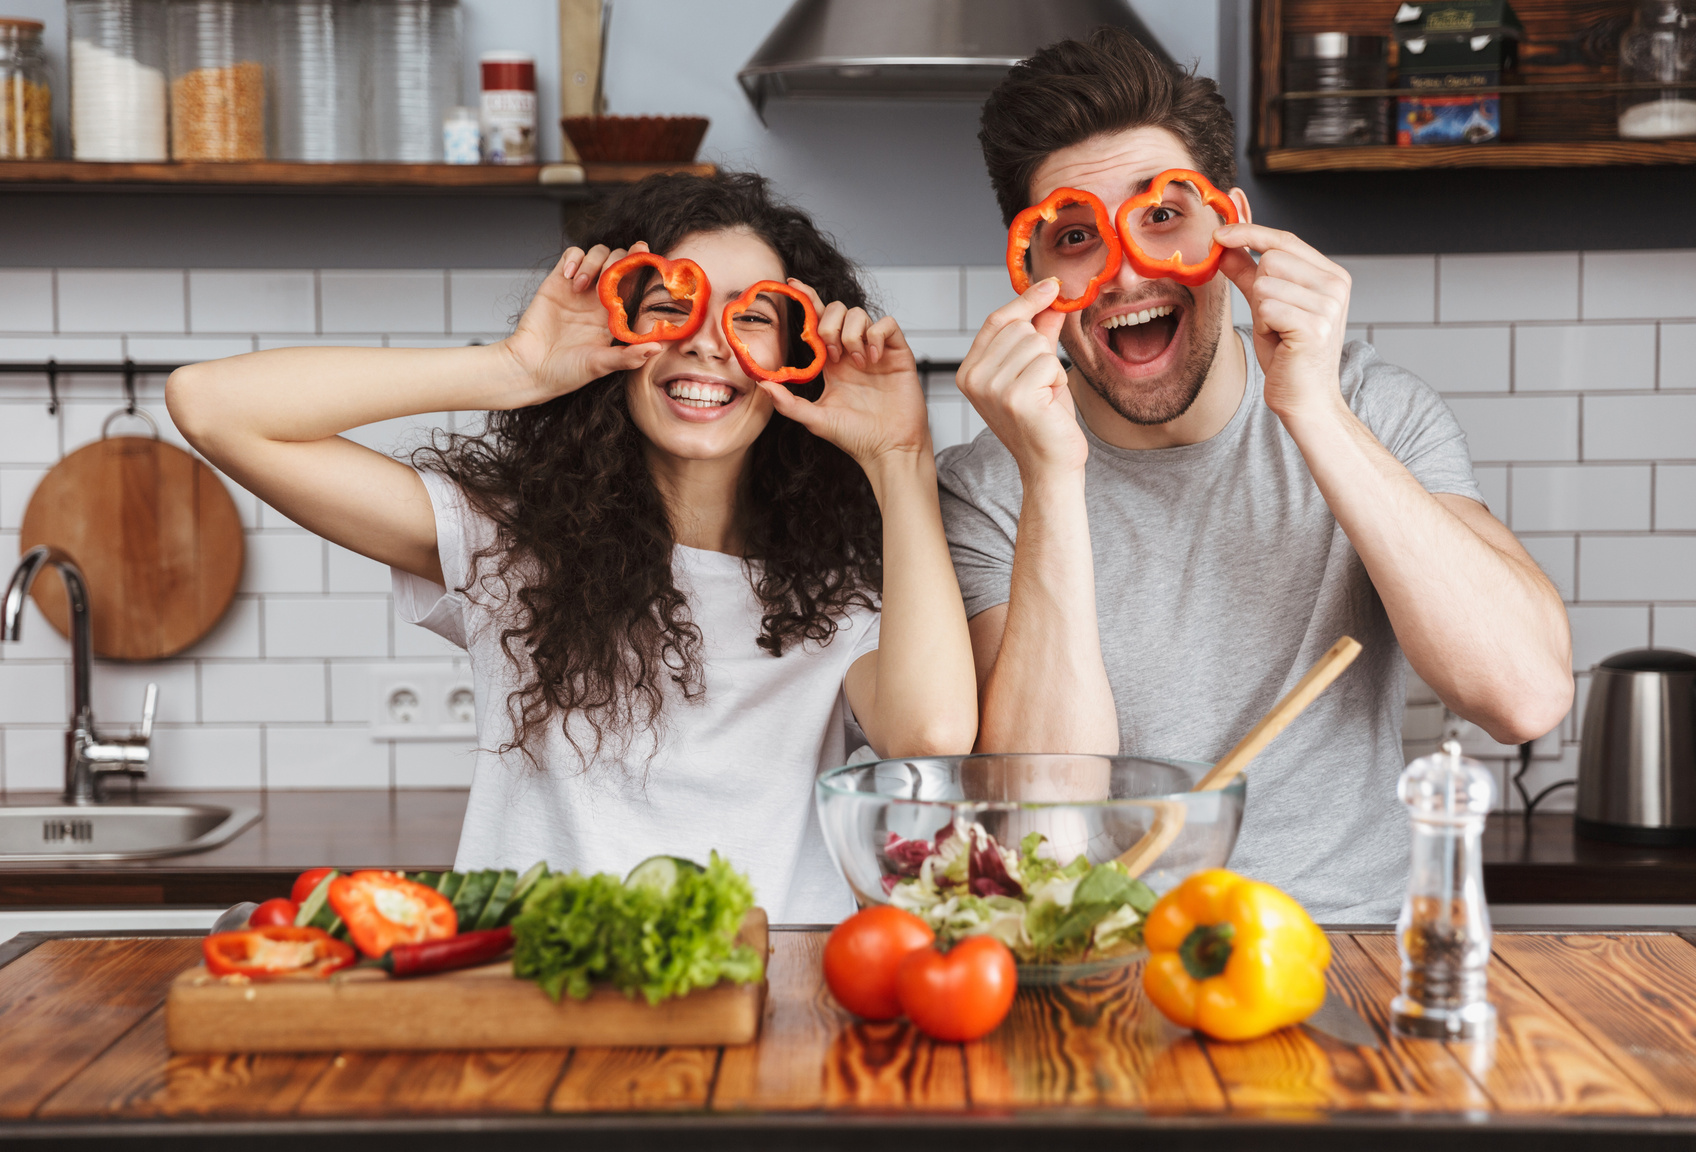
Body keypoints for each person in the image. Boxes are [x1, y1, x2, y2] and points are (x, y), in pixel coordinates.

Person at [168, 172, 977, 923]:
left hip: (772, 1024)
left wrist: (898, 454)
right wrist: (514, 368)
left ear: (800, 360)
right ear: (619, 330)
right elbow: (209, 405)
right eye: (671, 306)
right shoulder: (511, 548)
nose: (706, 344)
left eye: (753, 317)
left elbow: (933, 737)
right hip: (544, 1018)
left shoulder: (847, 593)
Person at [939, 28, 1572, 921]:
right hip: (1103, 970)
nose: (1126, 270)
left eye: (1162, 215)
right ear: (1032, 269)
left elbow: (1525, 695)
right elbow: (1045, 827)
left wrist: (1312, 408)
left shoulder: (1372, 411)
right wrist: (1051, 474)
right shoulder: (987, 487)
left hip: (1339, 963)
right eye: (1078, 236)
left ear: (1229, 227)